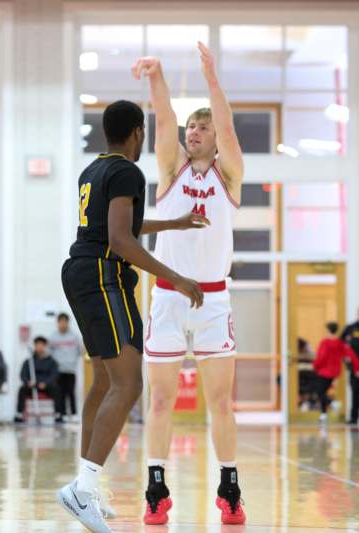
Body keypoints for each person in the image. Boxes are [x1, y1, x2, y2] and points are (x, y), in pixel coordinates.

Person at [56, 99, 205, 533]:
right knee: (129, 382)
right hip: (103, 276)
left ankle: (86, 486)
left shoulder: (94, 170)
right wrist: (176, 278)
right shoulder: (127, 172)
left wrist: (173, 225)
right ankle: (83, 488)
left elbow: (115, 228)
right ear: (138, 131)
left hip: (81, 271)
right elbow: (120, 241)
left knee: (104, 381)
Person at [133, 42, 246, 526]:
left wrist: (212, 79)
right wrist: (157, 77)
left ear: (215, 138)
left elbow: (228, 125)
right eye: (191, 127)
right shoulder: (169, 170)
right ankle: (156, 488)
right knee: (159, 399)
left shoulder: (230, 176)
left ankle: (230, 486)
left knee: (220, 401)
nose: (194, 132)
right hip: (168, 299)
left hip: (214, 301)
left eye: (203, 127)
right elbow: (162, 120)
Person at [313, 322, 359, 423]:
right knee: (322, 392)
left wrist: (315, 365)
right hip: (334, 371)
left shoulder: (325, 342)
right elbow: (352, 355)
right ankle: (323, 414)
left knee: (319, 392)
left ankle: (332, 404)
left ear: (327, 330)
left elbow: (321, 357)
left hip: (324, 371)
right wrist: (357, 368)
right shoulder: (340, 343)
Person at [14, 336, 64, 424]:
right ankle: (19, 414)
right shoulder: (29, 361)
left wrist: (46, 383)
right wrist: (28, 382)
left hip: (46, 385)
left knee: (57, 389)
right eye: (37, 345)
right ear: (35, 346)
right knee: (22, 389)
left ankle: (58, 415)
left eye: (41, 345)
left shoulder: (51, 362)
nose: (39, 347)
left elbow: (54, 375)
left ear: (45, 346)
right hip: (32, 385)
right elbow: (23, 375)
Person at [49, 313, 82, 421]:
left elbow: (79, 351)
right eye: (61, 321)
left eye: (65, 321)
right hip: (58, 370)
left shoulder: (74, 337)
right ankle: (61, 414)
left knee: (71, 392)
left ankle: (73, 414)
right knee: (60, 393)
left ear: (68, 322)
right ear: (58, 323)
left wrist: (72, 362)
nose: (63, 324)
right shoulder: (53, 337)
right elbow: (50, 353)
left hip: (71, 370)